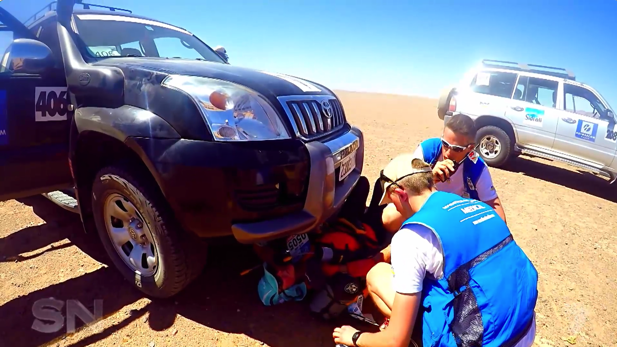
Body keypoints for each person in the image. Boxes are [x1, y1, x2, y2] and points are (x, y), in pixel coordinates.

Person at [332, 154, 538, 347]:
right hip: (523, 330)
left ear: (400, 193)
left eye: (391, 201)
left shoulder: (411, 237)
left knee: (377, 275)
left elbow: (397, 341)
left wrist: (355, 336)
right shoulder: (474, 206)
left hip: (481, 340)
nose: (393, 208)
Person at [380, 113, 506, 234]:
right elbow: (406, 190)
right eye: (445, 144)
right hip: (426, 208)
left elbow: (496, 210)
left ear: (470, 148)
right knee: (389, 218)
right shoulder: (427, 150)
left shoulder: (477, 167)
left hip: (457, 217)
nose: (447, 153)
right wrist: (429, 178)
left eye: (456, 149)